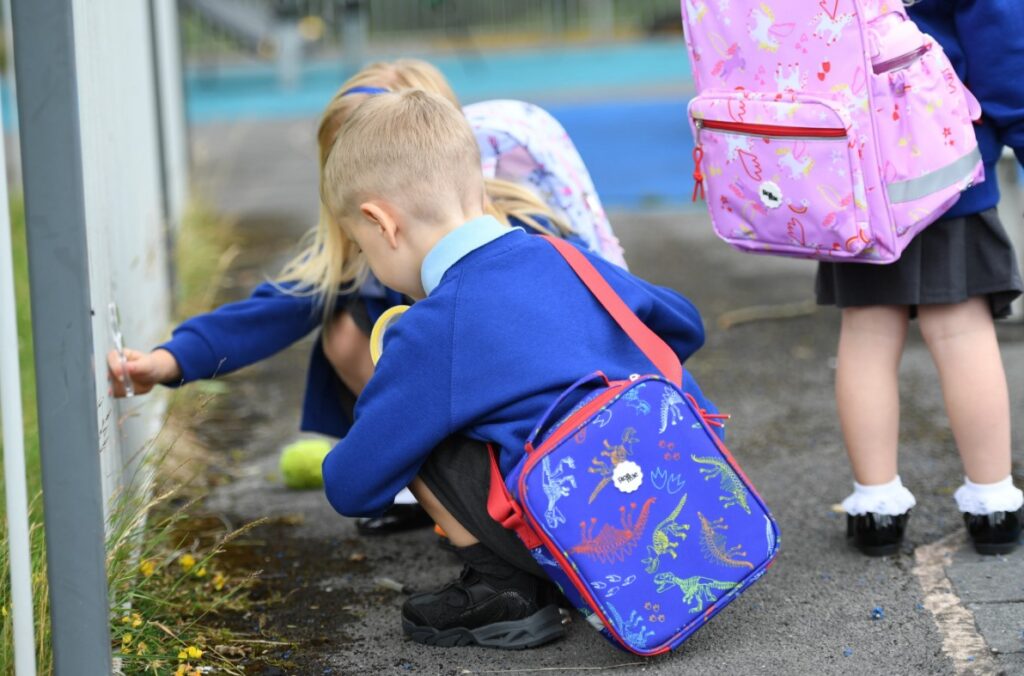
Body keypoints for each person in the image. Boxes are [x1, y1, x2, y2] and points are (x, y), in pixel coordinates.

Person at [107, 59, 620, 536]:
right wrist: (172, 359)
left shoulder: (525, 232)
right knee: (347, 332)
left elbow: (347, 484)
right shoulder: (357, 253)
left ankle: (482, 527)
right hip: (483, 424)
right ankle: (438, 502)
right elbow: (268, 312)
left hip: (528, 428)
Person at [316, 88, 715, 649]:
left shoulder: (429, 329)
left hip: (585, 544)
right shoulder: (566, 255)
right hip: (694, 509)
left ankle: (502, 589)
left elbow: (350, 486)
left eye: (363, 248)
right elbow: (683, 324)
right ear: (477, 187)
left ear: (382, 224)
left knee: (410, 425)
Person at [816, 0, 1024, 556]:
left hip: (848, 169)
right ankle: (993, 505)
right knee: (961, 331)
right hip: (944, 159)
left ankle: (876, 509)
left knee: (865, 334)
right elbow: (1002, 47)